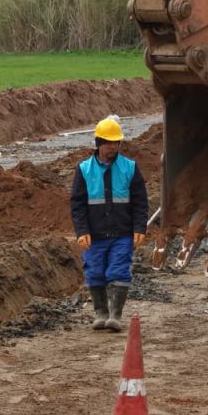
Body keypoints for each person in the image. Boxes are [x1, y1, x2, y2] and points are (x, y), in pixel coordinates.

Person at [70, 117, 149, 332]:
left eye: (116, 143)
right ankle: (100, 313)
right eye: (108, 143)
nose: (112, 147)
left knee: (119, 271)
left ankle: (115, 315)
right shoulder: (84, 169)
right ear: (98, 143)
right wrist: (82, 231)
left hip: (122, 233)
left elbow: (140, 201)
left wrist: (139, 228)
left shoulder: (130, 168)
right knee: (95, 272)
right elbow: (77, 204)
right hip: (95, 235)